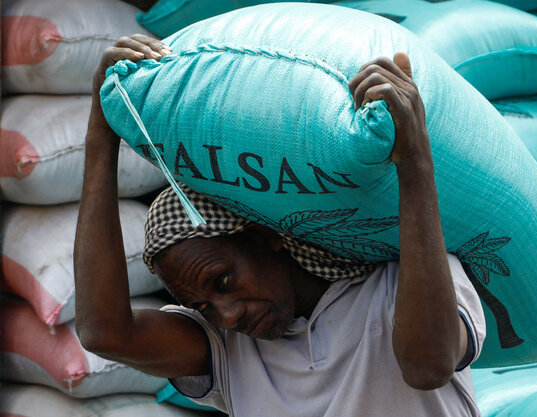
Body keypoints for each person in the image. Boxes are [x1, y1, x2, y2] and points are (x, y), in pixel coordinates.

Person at [73, 34, 486, 416]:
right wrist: (102, 132)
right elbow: (104, 333)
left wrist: (412, 159)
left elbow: (427, 367)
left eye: (223, 282)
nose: (228, 315)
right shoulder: (225, 348)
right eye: (202, 306)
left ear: (266, 236)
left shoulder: (401, 283)